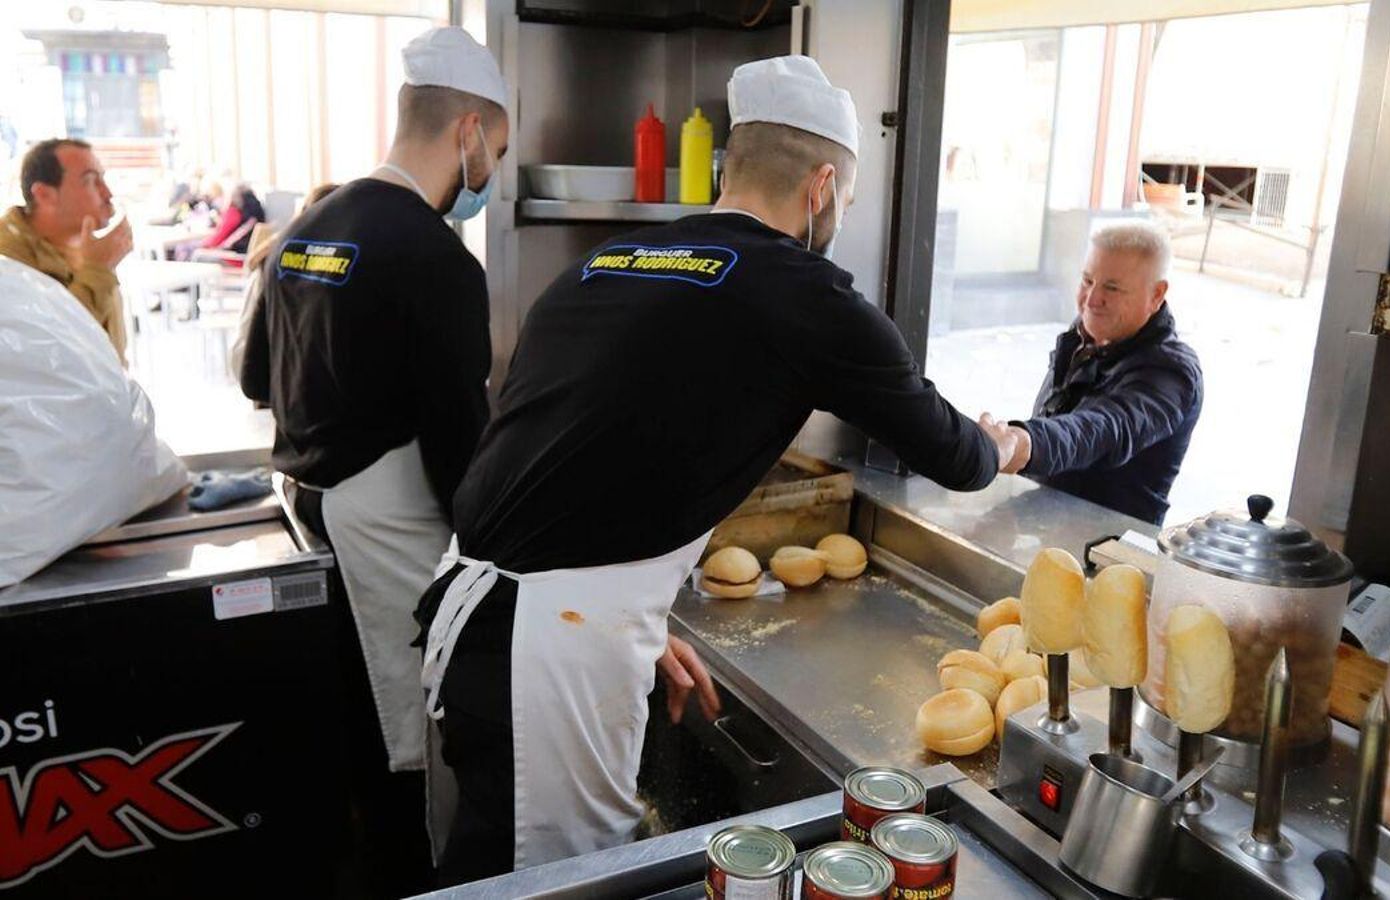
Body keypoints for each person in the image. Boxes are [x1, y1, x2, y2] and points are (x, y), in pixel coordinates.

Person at [414, 54, 1017, 884]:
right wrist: (1011, 441)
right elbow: (960, 458)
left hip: (477, 612)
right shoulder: (812, 298)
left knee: (488, 865)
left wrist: (633, 617)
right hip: (548, 662)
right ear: (822, 189)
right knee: (561, 881)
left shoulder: (608, 264)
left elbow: (555, 458)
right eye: (847, 198)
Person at [237, 26, 506, 896]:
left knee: (353, 730)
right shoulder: (434, 257)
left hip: (308, 510)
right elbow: (461, 445)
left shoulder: (306, 228)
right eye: (495, 151)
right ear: (467, 130)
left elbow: (252, 376)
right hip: (386, 526)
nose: (489, 175)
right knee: (417, 744)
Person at [987, 222, 1203, 525]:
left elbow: (1100, 429)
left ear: (1156, 294)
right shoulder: (1085, 332)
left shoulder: (1172, 372)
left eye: (1112, 288)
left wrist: (1020, 442)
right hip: (1044, 524)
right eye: (1087, 280)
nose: (1091, 300)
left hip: (1109, 555)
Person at [0, 138, 132, 363]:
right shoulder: (8, 262)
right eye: (91, 181)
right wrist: (98, 271)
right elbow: (49, 352)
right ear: (44, 194)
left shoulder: (86, 245)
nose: (108, 193)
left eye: (103, 179)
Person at [229, 181, 340, 389]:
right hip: (281, 395)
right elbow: (242, 357)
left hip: (288, 396)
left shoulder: (273, 262)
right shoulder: (271, 264)